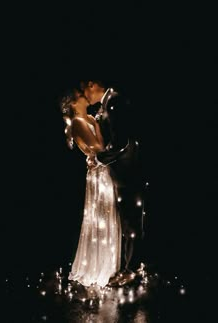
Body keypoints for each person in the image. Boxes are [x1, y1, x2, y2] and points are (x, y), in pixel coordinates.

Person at [80, 80, 144, 286]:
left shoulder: (115, 102)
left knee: (130, 222)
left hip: (128, 173)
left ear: (92, 84)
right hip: (122, 172)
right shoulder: (108, 103)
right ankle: (131, 266)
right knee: (128, 221)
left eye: (83, 91)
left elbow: (121, 142)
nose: (84, 97)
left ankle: (131, 270)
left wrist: (100, 159)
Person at [60, 88, 122, 288]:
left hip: (102, 170)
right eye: (80, 95)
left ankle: (108, 264)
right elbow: (98, 149)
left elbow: (99, 149)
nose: (84, 96)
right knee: (100, 216)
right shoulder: (78, 122)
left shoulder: (87, 118)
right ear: (73, 102)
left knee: (106, 215)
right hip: (98, 175)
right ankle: (98, 266)